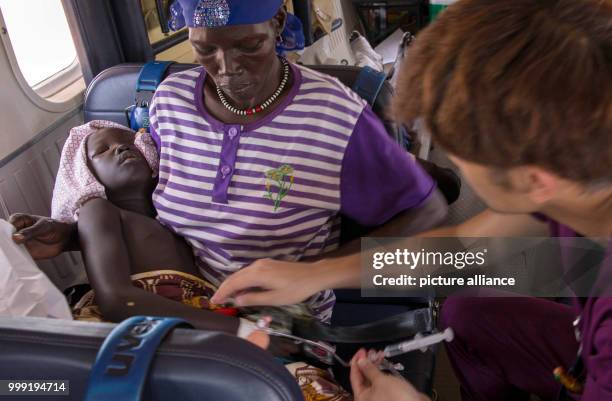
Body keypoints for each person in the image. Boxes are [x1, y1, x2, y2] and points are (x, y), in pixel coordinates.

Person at [210, 0, 612, 400]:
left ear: (533, 179)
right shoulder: (573, 177)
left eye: (458, 151)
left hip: (597, 359)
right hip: (581, 341)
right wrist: (314, 275)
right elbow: (465, 247)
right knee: (466, 314)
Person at [10, 0, 446, 325]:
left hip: (277, 317)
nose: (226, 68)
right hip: (173, 298)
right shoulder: (170, 101)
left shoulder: (335, 116)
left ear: (276, 24)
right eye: (204, 50)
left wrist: (313, 274)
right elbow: (158, 215)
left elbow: (427, 210)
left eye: (248, 45)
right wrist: (69, 236)